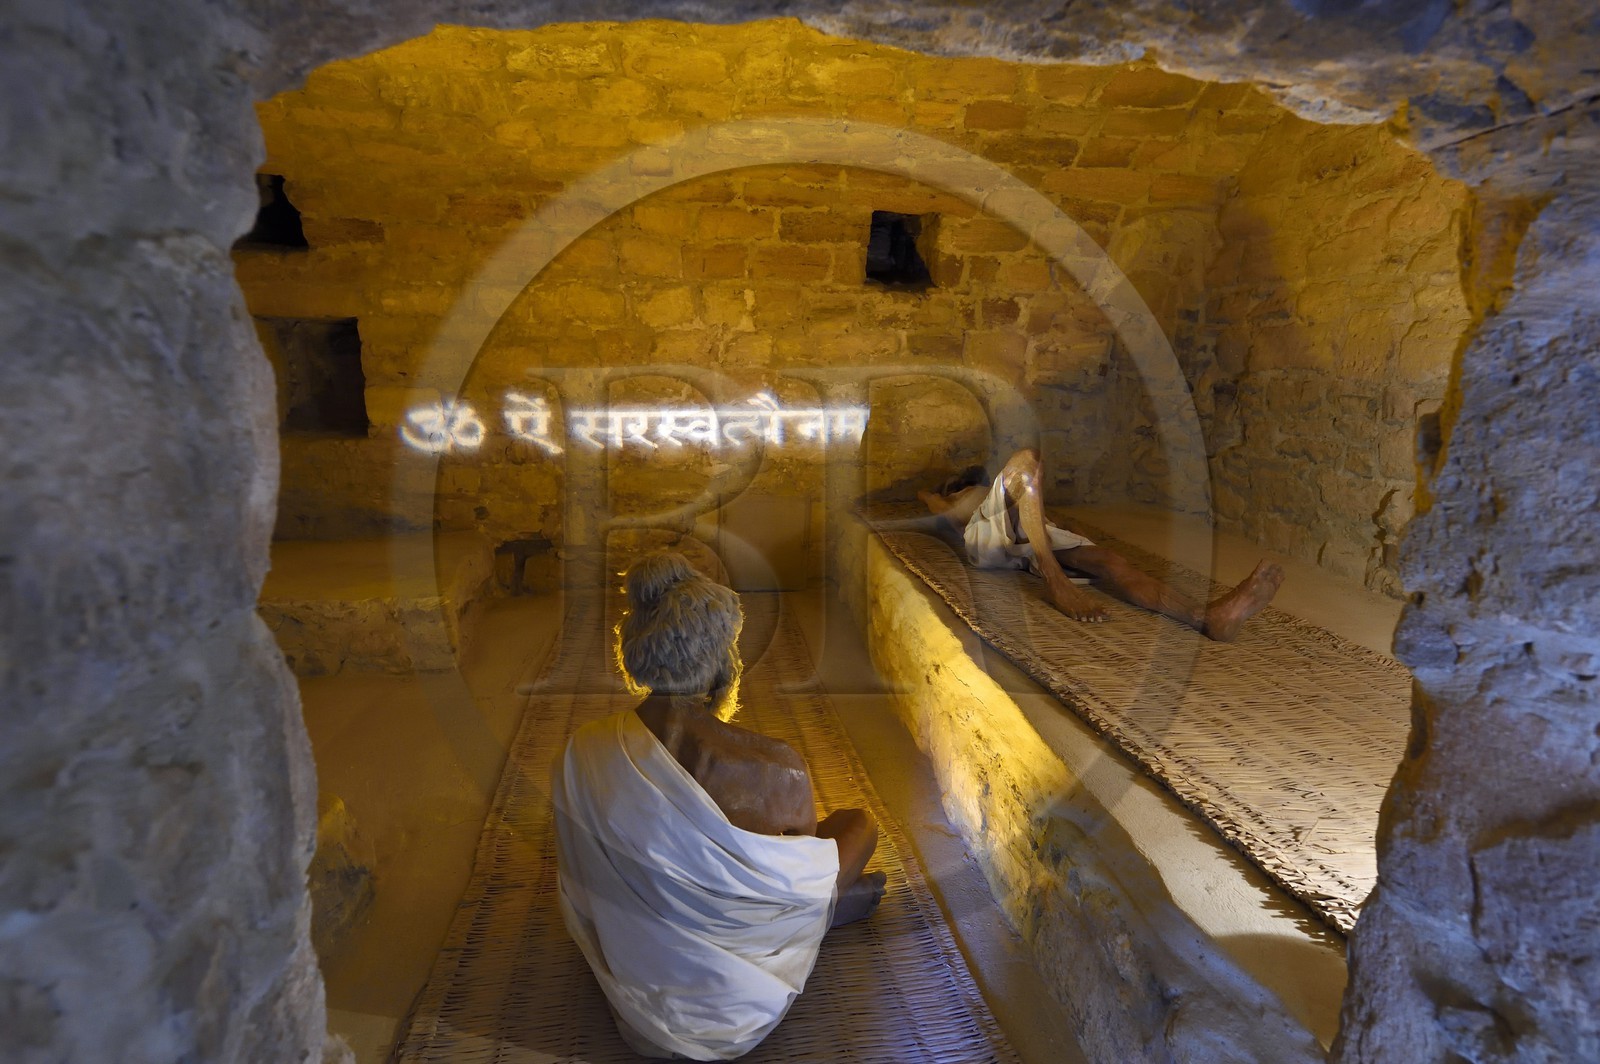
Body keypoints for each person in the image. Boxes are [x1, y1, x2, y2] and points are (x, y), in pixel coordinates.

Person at [552, 553, 886, 1061]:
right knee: (857, 824)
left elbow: (580, 878)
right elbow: (796, 874)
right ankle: (826, 915)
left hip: (637, 988)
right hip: (737, 1014)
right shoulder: (777, 767)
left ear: (638, 649)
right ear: (723, 660)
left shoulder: (583, 750)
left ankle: (813, 911)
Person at [917, 449, 1284, 642]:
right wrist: (936, 494)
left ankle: (1207, 618)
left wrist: (1070, 533)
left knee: (1109, 560)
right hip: (989, 537)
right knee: (1027, 459)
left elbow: (1046, 517)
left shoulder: (1009, 494)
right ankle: (1055, 580)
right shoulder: (962, 500)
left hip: (1032, 534)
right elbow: (931, 502)